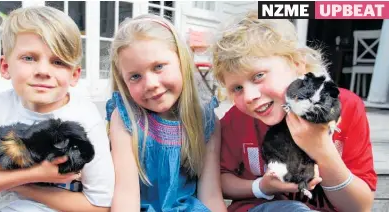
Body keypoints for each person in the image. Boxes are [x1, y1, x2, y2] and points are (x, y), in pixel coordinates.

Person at [0, 6, 114, 212]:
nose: (43, 71)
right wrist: (35, 175)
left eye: (58, 62)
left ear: (74, 75)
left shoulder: (85, 118)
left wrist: (23, 186)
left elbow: (99, 206)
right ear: (5, 67)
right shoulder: (0, 106)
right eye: (29, 58)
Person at [212, 10, 377, 212]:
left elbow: (360, 207)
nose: (249, 96)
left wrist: (321, 149)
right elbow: (220, 180)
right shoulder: (236, 120)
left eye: (259, 76)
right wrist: (261, 187)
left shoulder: (346, 107)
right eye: (237, 88)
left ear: (297, 65)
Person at [106, 14, 227, 211]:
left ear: (182, 61)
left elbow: (211, 195)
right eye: (135, 76)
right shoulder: (125, 118)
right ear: (124, 82)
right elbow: (126, 196)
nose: (151, 84)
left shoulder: (206, 120)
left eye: (158, 67)